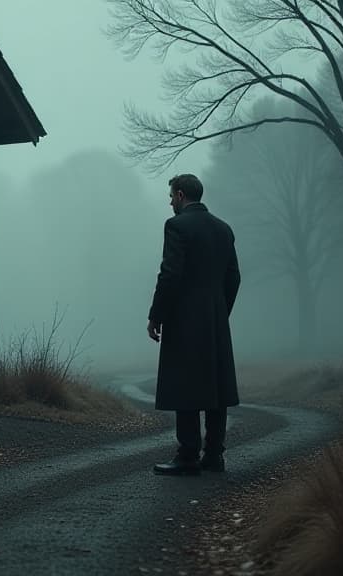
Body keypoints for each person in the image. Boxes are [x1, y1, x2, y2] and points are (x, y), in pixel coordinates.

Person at [147, 173, 241, 476]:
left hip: (185, 317)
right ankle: (213, 455)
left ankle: (187, 456)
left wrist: (156, 316)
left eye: (171, 195)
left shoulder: (176, 226)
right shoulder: (224, 229)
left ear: (181, 195)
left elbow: (170, 274)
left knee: (184, 383)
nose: (170, 201)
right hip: (215, 318)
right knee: (215, 386)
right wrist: (220, 310)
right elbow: (234, 277)